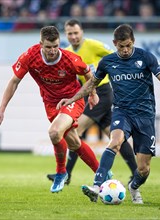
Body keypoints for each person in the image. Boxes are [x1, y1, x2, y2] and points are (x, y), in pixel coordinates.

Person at [56, 24, 160, 204]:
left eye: (128, 45)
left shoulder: (145, 57)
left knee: (143, 168)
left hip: (145, 115)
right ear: (115, 44)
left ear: (133, 42)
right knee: (115, 142)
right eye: (121, 46)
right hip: (122, 111)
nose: (126, 50)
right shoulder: (107, 62)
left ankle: (134, 187)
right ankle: (97, 187)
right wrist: (72, 99)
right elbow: (91, 85)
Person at [0, 26, 104, 193]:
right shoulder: (30, 56)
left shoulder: (70, 59)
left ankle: (61, 172)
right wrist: (1, 109)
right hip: (50, 104)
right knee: (73, 142)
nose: (52, 51)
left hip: (72, 99)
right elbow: (14, 81)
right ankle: (103, 174)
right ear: (40, 44)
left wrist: (93, 93)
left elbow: (89, 74)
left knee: (54, 132)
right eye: (48, 47)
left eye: (56, 46)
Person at [46, 19, 137, 185]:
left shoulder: (93, 45)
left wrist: (120, 75)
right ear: (66, 35)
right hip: (87, 94)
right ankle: (136, 172)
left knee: (75, 130)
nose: (73, 36)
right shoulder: (65, 52)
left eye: (76, 33)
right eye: (70, 33)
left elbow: (115, 55)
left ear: (82, 32)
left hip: (101, 92)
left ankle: (67, 175)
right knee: (116, 136)